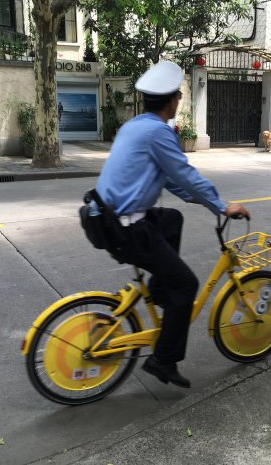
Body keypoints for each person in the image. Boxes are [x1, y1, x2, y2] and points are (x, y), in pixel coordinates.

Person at [93, 61, 250, 388]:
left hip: (108, 219)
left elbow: (172, 182)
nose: (179, 101)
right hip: (127, 228)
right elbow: (186, 175)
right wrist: (222, 206)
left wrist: (207, 205)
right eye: (178, 96)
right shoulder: (158, 132)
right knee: (188, 286)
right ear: (171, 101)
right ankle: (163, 360)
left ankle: (160, 288)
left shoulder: (135, 126)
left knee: (171, 218)